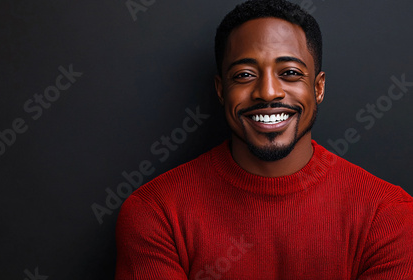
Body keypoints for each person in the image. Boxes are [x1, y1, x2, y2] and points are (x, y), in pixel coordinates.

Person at [115, 0, 413, 279]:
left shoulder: (389, 216)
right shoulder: (156, 213)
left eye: (290, 73)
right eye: (244, 75)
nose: (268, 92)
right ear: (221, 90)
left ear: (318, 87)